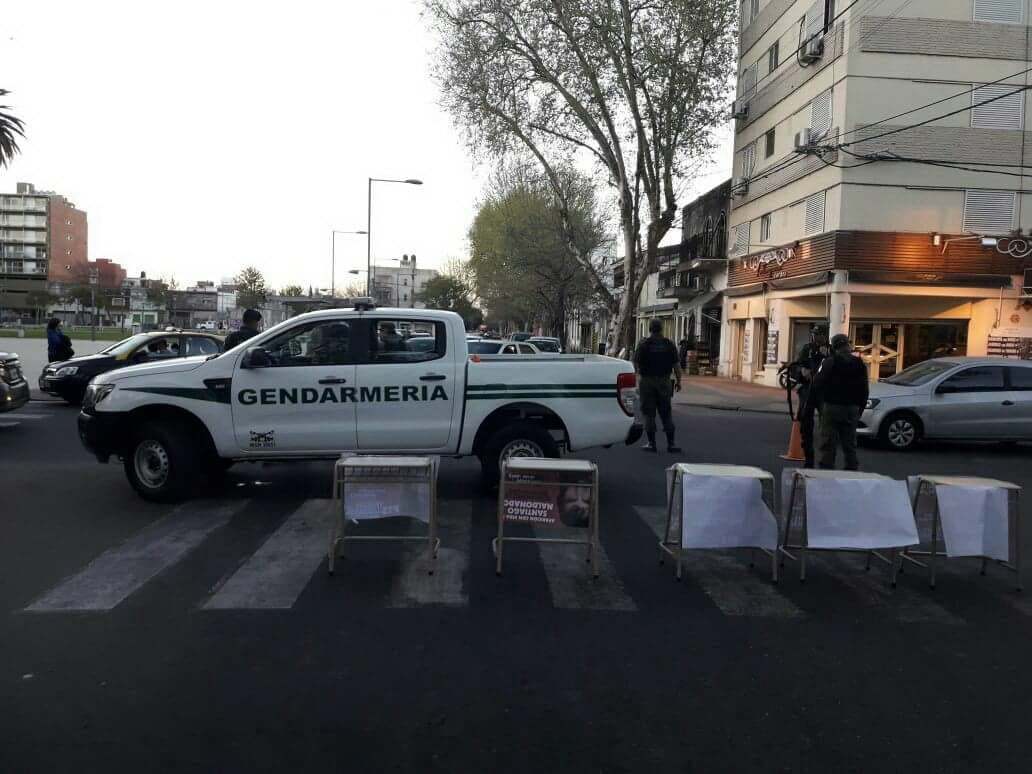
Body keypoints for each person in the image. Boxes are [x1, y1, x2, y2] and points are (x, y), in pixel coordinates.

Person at [811, 333, 869, 471]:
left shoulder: (830, 362)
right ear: (848, 345)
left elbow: (817, 383)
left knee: (828, 444)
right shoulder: (859, 363)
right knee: (850, 445)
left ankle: (826, 473)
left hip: (832, 407)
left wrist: (819, 404)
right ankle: (851, 472)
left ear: (834, 347)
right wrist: (859, 409)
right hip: (852, 409)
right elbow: (865, 389)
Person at [633, 319, 682, 453]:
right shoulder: (669, 344)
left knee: (649, 412)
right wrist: (679, 381)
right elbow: (677, 366)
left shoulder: (644, 344)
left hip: (647, 381)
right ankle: (671, 443)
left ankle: (651, 443)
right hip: (664, 381)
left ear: (650, 329)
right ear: (661, 329)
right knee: (666, 412)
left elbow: (636, 364)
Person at [794, 324, 830, 468]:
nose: (816, 337)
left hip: (823, 392)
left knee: (827, 426)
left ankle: (825, 461)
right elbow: (796, 366)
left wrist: (828, 355)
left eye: (819, 334)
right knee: (805, 424)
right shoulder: (807, 349)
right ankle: (809, 459)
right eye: (814, 334)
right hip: (808, 390)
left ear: (825, 336)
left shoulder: (830, 351)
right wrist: (801, 371)